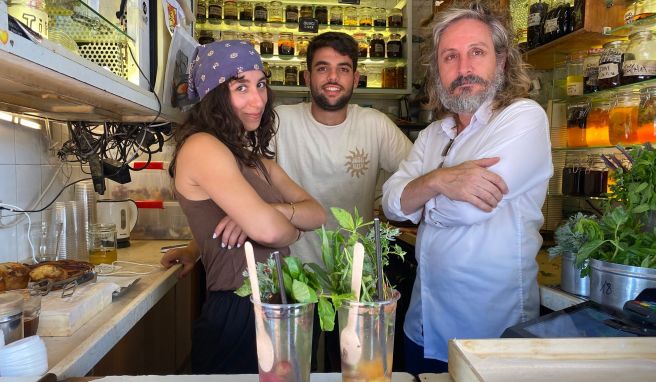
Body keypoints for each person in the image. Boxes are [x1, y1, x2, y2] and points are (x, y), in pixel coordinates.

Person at [382, 1, 553, 375]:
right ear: (437, 70)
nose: (464, 69)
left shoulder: (522, 118)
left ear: (502, 60)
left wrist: (420, 197)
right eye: (450, 57)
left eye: (477, 52)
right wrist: (440, 180)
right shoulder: (431, 135)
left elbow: (466, 209)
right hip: (421, 325)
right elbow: (392, 204)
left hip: (488, 331)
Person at [161, 40, 326, 374]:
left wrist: (273, 212)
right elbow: (271, 232)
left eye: (261, 84)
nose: (257, 100)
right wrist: (268, 219)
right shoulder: (201, 146)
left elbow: (318, 213)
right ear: (214, 96)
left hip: (273, 305)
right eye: (241, 87)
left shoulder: (254, 160)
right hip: (239, 311)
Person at [272, 31, 413, 371]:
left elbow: (415, 176)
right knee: (293, 369)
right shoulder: (280, 121)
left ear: (356, 78)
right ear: (307, 77)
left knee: (350, 368)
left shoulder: (375, 125)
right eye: (323, 68)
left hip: (356, 277)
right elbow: (243, 181)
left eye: (343, 68)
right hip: (293, 273)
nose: (333, 77)